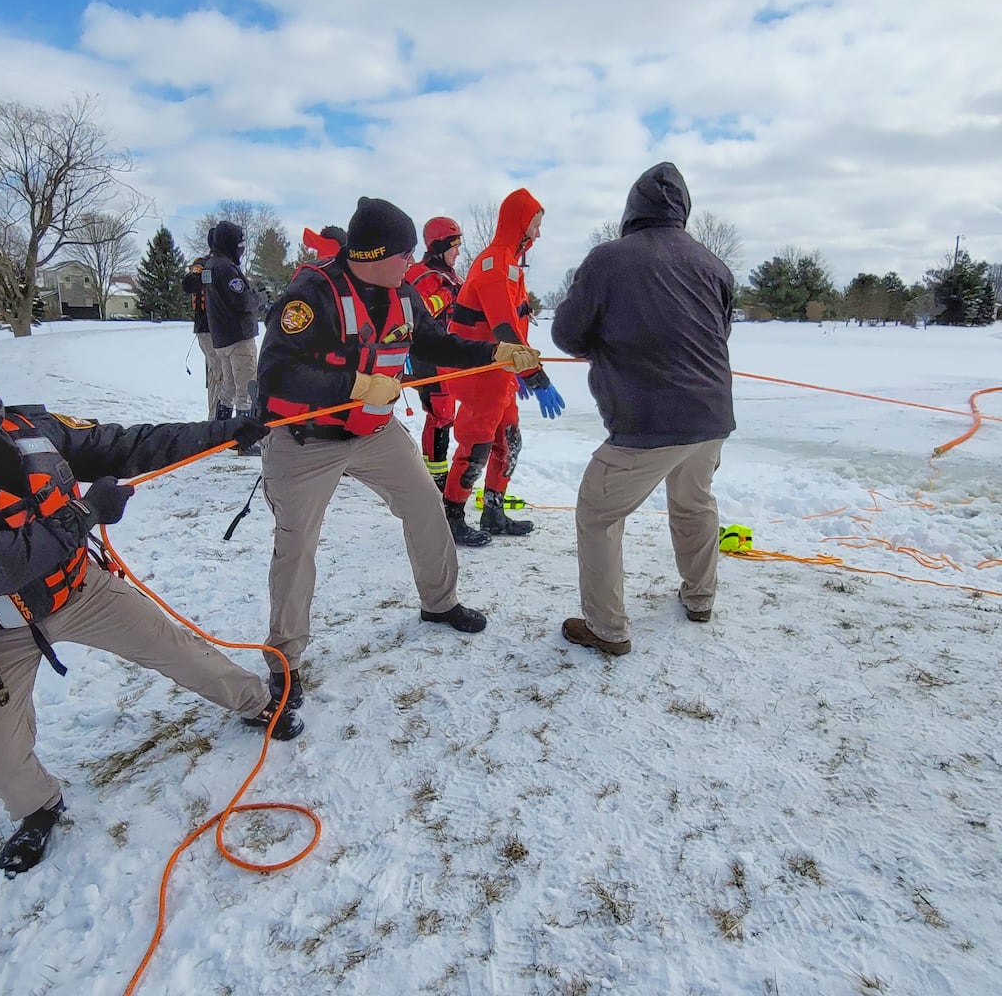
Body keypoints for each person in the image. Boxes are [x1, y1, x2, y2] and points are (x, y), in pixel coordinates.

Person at [0, 335, 277, 877]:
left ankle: (256, 702)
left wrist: (226, 432)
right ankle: (38, 807)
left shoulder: (29, 428)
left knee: (181, 651)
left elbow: (127, 444)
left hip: (78, 589)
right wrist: (83, 514)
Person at [255, 197, 541, 718]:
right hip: (307, 441)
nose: (412, 263)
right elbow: (274, 376)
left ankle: (440, 602)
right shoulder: (311, 295)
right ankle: (284, 658)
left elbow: (434, 344)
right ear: (373, 254)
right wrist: (356, 383)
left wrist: (494, 352)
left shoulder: (403, 292)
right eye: (404, 254)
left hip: (373, 433)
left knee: (426, 506)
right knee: (296, 546)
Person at [550, 162, 736, 656]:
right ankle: (700, 599)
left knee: (597, 515)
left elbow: (567, 333)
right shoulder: (714, 264)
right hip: (712, 416)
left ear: (632, 209)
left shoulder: (607, 260)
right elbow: (720, 332)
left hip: (648, 422)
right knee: (694, 503)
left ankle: (607, 629)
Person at [441, 189, 563, 546]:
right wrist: (536, 377)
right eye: (535, 226)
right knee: (475, 447)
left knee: (509, 444)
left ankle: (493, 510)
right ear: (520, 224)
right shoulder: (495, 263)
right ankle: (451, 516)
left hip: (501, 374)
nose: (538, 235)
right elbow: (505, 329)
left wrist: (517, 373)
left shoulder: (509, 263)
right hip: (480, 374)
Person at [405, 216, 466, 488]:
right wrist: (449, 295)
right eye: (454, 245)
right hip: (428, 354)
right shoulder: (423, 275)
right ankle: (435, 476)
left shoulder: (451, 276)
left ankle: (436, 473)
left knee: (447, 413)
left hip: (449, 353)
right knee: (441, 413)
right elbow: (420, 313)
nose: (458, 251)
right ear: (440, 244)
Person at [202, 221, 263, 454]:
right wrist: (259, 298)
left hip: (221, 338)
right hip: (238, 338)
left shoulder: (210, 266)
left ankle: (220, 434)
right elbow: (242, 302)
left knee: (227, 388)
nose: (242, 248)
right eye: (240, 244)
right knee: (246, 389)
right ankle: (243, 441)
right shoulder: (226, 269)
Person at [180, 250, 223, 419]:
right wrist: (204, 275)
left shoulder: (225, 265)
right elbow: (188, 283)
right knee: (219, 374)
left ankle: (216, 418)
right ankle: (216, 420)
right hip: (208, 329)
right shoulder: (204, 264)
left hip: (219, 330)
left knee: (217, 374)